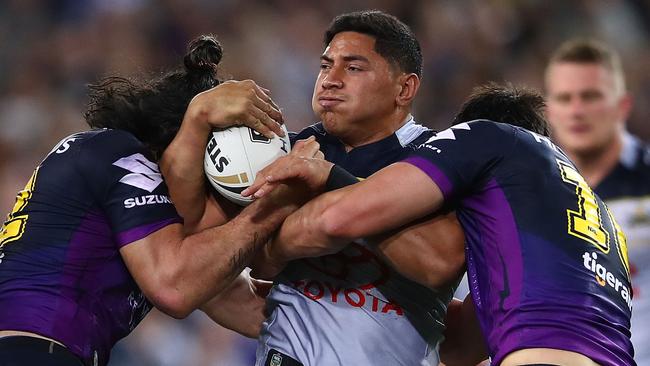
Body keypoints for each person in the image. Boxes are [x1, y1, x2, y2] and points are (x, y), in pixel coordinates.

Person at [247, 83, 635, 366]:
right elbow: (465, 345)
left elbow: (339, 216)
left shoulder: (487, 137)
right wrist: (384, 301)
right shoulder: (601, 221)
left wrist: (322, 173)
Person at [163, 10, 465, 366]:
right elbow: (188, 240)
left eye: (353, 68)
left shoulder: (438, 161)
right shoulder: (274, 153)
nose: (330, 79)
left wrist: (322, 195)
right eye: (325, 65)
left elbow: (439, 263)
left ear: (404, 88)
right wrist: (196, 119)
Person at [0, 35, 308, 366]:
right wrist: (276, 202)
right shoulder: (119, 154)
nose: (219, 212)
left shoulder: (138, 227)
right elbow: (173, 288)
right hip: (33, 349)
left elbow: (247, 307)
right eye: (214, 192)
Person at [545, 38, 649, 364]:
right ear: (549, 110)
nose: (577, 110)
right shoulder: (529, 190)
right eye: (565, 98)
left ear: (623, 106)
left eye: (590, 97)